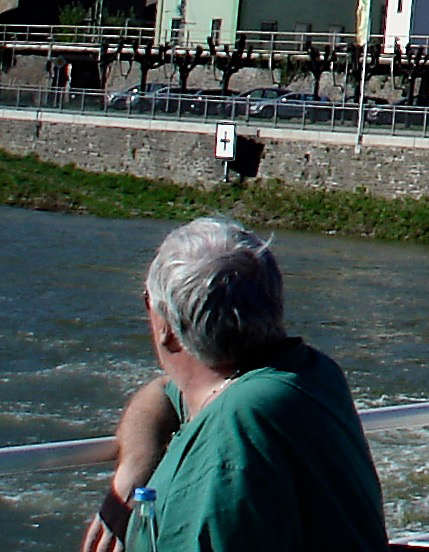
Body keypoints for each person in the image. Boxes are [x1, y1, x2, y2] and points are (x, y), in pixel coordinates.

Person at [81, 216, 386, 552]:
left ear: (166, 326)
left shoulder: (235, 431)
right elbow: (162, 393)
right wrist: (136, 466)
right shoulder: (307, 373)